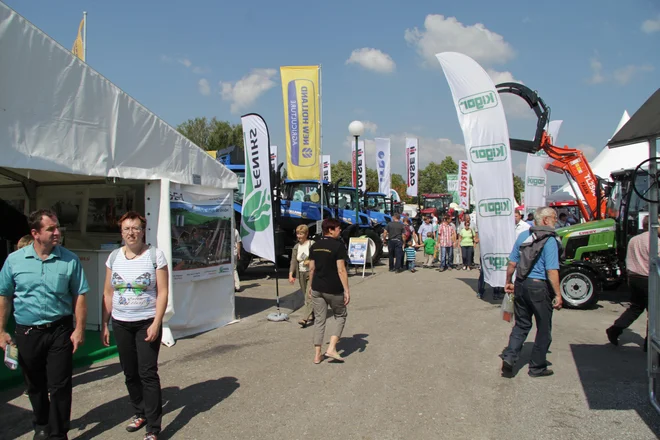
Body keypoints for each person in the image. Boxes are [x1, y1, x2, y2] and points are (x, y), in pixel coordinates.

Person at [0, 209, 89, 440]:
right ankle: (41, 423)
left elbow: (80, 294)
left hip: (60, 330)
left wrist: (79, 328)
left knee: (60, 385)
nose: (57, 232)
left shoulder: (70, 259)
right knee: (35, 384)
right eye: (51, 229)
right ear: (35, 233)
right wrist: (0, 330)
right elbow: (4, 296)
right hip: (28, 332)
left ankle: (58, 433)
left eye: (57, 227)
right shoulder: (14, 261)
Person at [101, 211, 169, 440]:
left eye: (135, 228)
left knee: (147, 373)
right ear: (121, 232)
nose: (131, 233)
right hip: (121, 323)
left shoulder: (155, 256)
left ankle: (153, 427)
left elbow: (163, 292)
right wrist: (104, 323)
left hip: (146, 323)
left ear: (143, 231)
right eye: (127, 229)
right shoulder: (113, 257)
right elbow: (108, 293)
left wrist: (156, 322)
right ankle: (139, 412)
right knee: (130, 373)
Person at [501, 207, 562, 378]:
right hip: (539, 287)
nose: (555, 220)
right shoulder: (550, 240)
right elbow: (552, 271)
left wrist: (508, 282)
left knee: (521, 324)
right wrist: (558, 294)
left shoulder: (523, 236)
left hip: (521, 284)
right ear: (544, 220)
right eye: (553, 217)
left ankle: (510, 357)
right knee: (543, 328)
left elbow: (512, 263)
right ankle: (537, 367)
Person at [606, 215, 659, 350]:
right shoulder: (655, 241)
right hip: (648, 278)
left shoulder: (634, 240)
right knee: (654, 312)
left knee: (636, 307)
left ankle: (616, 328)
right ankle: (650, 344)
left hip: (634, 278)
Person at [308, 218, 350, 364]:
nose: (340, 230)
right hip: (333, 288)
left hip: (317, 287)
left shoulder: (315, 246)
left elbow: (311, 268)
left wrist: (310, 286)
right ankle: (331, 348)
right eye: (338, 228)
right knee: (341, 315)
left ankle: (317, 354)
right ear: (330, 230)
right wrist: (346, 290)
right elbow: (341, 269)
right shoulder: (338, 246)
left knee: (319, 320)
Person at [289, 225, 315, 328]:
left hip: (311, 272)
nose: (299, 236)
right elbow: (293, 261)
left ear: (306, 234)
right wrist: (291, 273)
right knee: (305, 294)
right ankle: (312, 313)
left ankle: (305, 318)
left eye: (301, 233)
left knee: (309, 295)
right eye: (297, 233)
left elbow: (318, 257)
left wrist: (311, 261)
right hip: (301, 273)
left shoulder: (312, 244)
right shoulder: (296, 247)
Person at [234, 228, 241, 292]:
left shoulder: (226, 230)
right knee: (234, 269)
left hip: (228, 253)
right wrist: (238, 253)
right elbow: (238, 242)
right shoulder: (235, 231)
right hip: (234, 253)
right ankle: (237, 285)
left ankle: (237, 285)